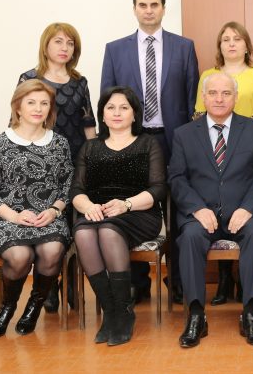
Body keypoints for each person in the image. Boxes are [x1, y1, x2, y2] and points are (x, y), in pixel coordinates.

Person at [101, 0, 199, 304]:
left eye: (154, 4)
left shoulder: (184, 47)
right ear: (134, 9)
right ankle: (138, 282)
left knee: (178, 208)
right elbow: (107, 99)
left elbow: (191, 98)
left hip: (173, 140)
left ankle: (178, 280)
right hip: (131, 140)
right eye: (142, 5)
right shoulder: (115, 50)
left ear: (163, 9)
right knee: (131, 204)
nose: (148, 10)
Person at [169, 73, 253, 349]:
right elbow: (177, 179)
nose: (219, 99)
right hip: (201, 215)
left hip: (243, 213)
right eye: (213, 93)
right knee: (189, 237)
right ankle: (196, 315)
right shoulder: (183, 134)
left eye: (226, 93)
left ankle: (250, 314)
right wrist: (196, 208)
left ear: (236, 98)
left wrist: (248, 208)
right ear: (203, 97)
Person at [71, 86, 167, 346]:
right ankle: (110, 312)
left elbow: (158, 189)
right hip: (98, 211)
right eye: (110, 108)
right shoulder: (90, 147)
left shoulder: (148, 144)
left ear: (134, 114)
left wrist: (126, 204)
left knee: (107, 231)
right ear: (102, 115)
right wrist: (88, 206)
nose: (117, 113)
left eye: (124, 108)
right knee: (83, 233)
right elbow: (76, 190)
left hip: (138, 212)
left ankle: (124, 312)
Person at [0, 79, 73, 338]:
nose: (38, 108)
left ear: (50, 108)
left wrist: (54, 211)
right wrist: (15, 216)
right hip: (6, 219)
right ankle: (7, 307)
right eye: (31, 102)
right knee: (21, 256)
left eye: (44, 103)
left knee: (52, 250)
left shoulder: (60, 143)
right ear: (18, 107)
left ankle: (34, 306)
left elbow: (68, 186)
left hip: (48, 218)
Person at [18, 22, 97, 312]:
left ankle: (73, 284)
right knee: (48, 223)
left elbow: (88, 124)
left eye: (70, 43)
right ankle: (49, 285)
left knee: (76, 223)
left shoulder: (79, 82)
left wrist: (95, 160)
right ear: (46, 45)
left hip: (75, 161)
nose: (65, 48)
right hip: (40, 164)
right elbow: (19, 120)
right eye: (58, 42)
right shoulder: (29, 78)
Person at [194, 22, 253, 306]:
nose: (231, 44)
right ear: (220, 46)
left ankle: (244, 283)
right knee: (216, 198)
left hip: (247, 148)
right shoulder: (208, 75)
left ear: (247, 45)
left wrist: (237, 138)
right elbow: (199, 113)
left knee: (241, 207)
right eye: (225, 39)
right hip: (212, 147)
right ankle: (224, 278)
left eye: (237, 39)